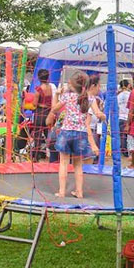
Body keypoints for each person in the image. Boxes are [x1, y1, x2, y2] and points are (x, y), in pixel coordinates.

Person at [48, 71, 99, 199]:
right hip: (81, 134)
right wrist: (102, 116)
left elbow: (54, 109)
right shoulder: (89, 98)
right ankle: (79, 192)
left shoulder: (67, 96)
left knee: (63, 163)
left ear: (72, 84)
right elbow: (97, 113)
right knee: (78, 165)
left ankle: (61, 192)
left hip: (66, 132)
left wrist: (56, 95)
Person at [31, 69, 54, 161]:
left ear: (39, 78)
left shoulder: (38, 89)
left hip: (40, 113)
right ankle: (52, 156)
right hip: (48, 113)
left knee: (37, 136)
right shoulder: (50, 88)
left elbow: (34, 103)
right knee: (48, 135)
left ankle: (36, 157)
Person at [117, 79, 130, 156]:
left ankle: (122, 150)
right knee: (127, 136)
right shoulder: (130, 94)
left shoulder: (118, 96)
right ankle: (126, 151)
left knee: (121, 135)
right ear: (127, 85)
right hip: (128, 117)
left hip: (120, 117)